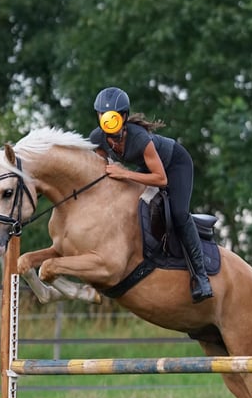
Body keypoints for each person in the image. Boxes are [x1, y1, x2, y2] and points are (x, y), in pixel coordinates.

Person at [89, 86, 213, 303]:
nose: (107, 121)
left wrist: (125, 173)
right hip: (147, 169)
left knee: (178, 213)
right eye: (103, 116)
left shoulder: (139, 138)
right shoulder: (98, 138)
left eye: (113, 117)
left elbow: (161, 179)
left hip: (174, 165)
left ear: (124, 117)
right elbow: (102, 170)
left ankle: (201, 277)